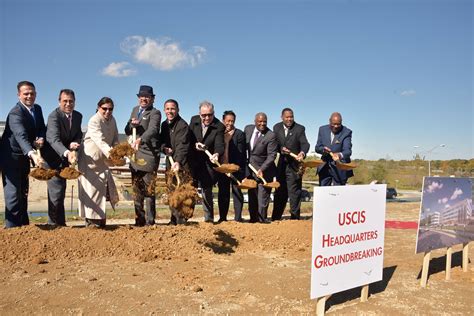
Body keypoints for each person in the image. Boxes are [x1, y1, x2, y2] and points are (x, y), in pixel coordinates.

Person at [1, 81, 46, 228]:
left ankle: (24, 228)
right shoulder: (16, 113)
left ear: (36, 94)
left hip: (24, 158)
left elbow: (40, 128)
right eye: (26, 93)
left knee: (23, 193)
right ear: (19, 95)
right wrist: (32, 153)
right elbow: (20, 135)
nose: (29, 96)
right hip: (10, 158)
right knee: (13, 195)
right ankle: (12, 229)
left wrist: (40, 137)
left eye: (32, 93)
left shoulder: (37, 109)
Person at [42, 89, 83, 226]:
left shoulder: (78, 116)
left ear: (75, 102)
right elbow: (53, 139)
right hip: (52, 158)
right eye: (65, 101)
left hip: (66, 158)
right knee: (56, 191)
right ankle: (53, 224)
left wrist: (75, 142)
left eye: (71, 101)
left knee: (61, 191)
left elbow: (78, 134)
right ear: (59, 101)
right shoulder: (54, 116)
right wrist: (67, 152)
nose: (68, 104)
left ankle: (60, 224)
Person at [77, 97, 120, 227]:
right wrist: (112, 154)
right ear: (98, 107)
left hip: (103, 161)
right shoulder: (94, 120)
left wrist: (118, 152)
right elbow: (99, 140)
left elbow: (116, 139)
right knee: (91, 192)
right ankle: (91, 223)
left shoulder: (113, 120)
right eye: (104, 109)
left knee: (101, 193)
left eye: (110, 109)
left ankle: (100, 221)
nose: (107, 111)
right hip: (89, 160)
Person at [124, 85, 161, 226]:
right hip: (135, 156)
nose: (144, 99)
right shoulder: (135, 110)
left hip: (149, 156)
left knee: (149, 191)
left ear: (152, 98)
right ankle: (139, 220)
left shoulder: (155, 113)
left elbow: (153, 129)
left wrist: (140, 139)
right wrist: (131, 125)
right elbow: (127, 130)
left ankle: (150, 221)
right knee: (136, 190)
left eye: (147, 96)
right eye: (141, 96)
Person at [189, 100, 225, 223]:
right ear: (199, 114)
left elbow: (220, 145)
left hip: (208, 163)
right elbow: (188, 138)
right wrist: (195, 145)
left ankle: (209, 219)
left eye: (210, 114)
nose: (207, 118)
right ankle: (186, 217)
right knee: (190, 189)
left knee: (207, 190)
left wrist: (216, 154)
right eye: (204, 115)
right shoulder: (194, 121)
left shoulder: (219, 126)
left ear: (213, 113)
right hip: (193, 161)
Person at [272, 108, 310, 220]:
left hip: (294, 166)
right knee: (279, 192)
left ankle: (295, 218)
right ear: (282, 117)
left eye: (291, 117)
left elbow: (305, 144)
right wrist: (280, 149)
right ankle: (275, 218)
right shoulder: (276, 127)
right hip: (281, 166)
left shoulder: (299, 129)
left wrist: (302, 153)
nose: (289, 119)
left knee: (294, 193)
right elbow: (275, 144)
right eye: (287, 117)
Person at [159, 99, 191, 225]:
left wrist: (178, 161)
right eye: (167, 109)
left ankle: (181, 220)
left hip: (181, 164)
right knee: (171, 191)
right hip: (169, 163)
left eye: (172, 109)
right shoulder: (164, 125)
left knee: (180, 192)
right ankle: (173, 219)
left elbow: (183, 146)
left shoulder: (183, 125)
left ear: (178, 110)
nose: (170, 111)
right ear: (164, 110)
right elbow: (161, 140)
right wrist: (164, 148)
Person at [244, 112, 277, 223]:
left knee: (263, 198)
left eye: (264, 122)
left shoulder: (270, 135)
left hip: (265, 170)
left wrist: (262, 169)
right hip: (251, 169)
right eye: (260, 121)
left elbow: (272, 155)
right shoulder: (248, 129)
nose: (262, 124)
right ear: (255, 121)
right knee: (252, 196)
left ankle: (262, 221)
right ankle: (253, 220)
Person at [217, 110, 246, 222]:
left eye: (232, 121)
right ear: (223, 120)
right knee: (223, 193)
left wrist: (234, 168)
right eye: (228, 121)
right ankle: (222, 218)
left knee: (237, 192)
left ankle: (238, 218)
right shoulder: (219, 133)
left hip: (235, 169)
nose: (230, 123)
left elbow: (241, 153)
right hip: (222, 168)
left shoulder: (239, 134)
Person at [315, 112, 353, 186]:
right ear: (329, 121)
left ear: (341, 122)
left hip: (340, 167)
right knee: (323, 192)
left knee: (338, 193)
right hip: (324, 167)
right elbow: (317, 147)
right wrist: (323, 150)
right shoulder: (322, 129)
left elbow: (348, 151)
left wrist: (339, 155)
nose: (336, 126)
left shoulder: (346, 132)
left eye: (338, 124)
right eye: (333, 124)